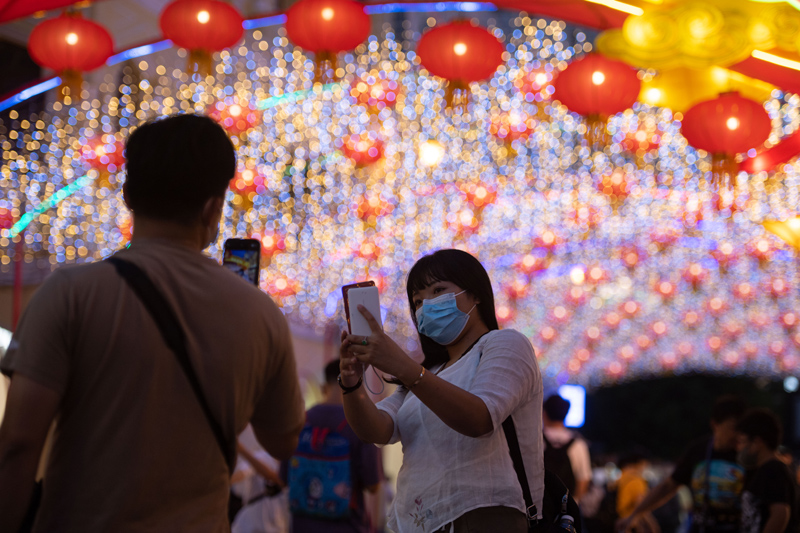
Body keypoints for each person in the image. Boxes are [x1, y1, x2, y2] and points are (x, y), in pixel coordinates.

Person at [0, 114, 305, 532]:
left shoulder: (69, 293)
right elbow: (284, 441)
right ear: (213, 207)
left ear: (127, 195)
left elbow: (18, 445)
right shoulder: (261, 315)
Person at [338, 249, 544, 533]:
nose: (427, 306)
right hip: (423, 523)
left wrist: (404, 367)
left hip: (485, 516)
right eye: (418, 301)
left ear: (476, 294)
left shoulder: (504, 343)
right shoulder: (429, 373)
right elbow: (376, 430)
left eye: (438, 291)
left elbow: (480, 418)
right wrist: (351, 383)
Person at [617, 395, 746, 533]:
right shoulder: (698, 451)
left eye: (742, 429)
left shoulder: (746, 455)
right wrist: (635, 515)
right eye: (733, 428)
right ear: (715, 424)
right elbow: (668, 486)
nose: (738, 435)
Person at [285, 359, 381, 533]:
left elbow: (284, 477)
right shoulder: (361, 424)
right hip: (347, 526)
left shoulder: (300, 421)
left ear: (324, 387)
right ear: (358, 385)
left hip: (302, 525)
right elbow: (373, 485)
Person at [737, 408, 799, 533]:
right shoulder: (766, 470)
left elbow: (780, 513)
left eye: (742, 442)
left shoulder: (773, 470)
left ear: (757, 442)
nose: (739, 448)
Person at [542, 394, 593, 504]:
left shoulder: (536, 441)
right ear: (566, 414)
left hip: (540, 506)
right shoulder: (578, 444)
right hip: (566, 508)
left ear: (544, 413)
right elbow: (584, 480)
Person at [615, 453, 659, 533]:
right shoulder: (636, 480)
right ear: (639, 464)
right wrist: (652, 525)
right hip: (629, 524)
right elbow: (640, 504)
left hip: (616, 522)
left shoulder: (619, 479)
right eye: (644, 464)